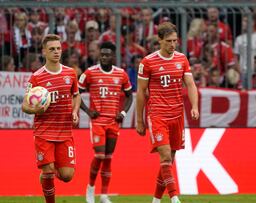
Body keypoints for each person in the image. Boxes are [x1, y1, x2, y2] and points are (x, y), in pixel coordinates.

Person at [136, 22, 199, 203]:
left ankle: (156, 200)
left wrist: (194, 106)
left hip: (177, 115)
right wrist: (139, 120)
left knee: (169, 160)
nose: (173, 44)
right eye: (169, 41)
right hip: (157, 115)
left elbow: (190, 84)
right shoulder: (148, 62)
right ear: (160, 40)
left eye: (175, 41)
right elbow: (141, 92)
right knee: (164, 155)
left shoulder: (182, 59)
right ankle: (174, 198)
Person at [21, 34, 81, 203]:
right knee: (48, 172)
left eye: (58, 49)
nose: (56, 52)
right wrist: (35, 109)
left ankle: (49, 171)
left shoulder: (70, 73)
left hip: (65, 132)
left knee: (67, 176)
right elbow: (24, 105)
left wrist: (75, 111)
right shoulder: (37, 77)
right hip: (44, 132)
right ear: (44, 52)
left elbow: (77, 96)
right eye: (52, 49)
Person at [78, 41, 133, 203]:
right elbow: (76, 93)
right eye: (102, 54)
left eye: (107, 55)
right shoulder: (90, 73)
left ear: (113, 56)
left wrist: (123, 112)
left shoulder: (121, 74)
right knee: (100, 155)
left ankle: (104, 195)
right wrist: (88, 111)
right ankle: (90, 189)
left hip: (113, 122)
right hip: (97, 122)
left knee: (108, 158)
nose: (104, 57)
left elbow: (130, 95)